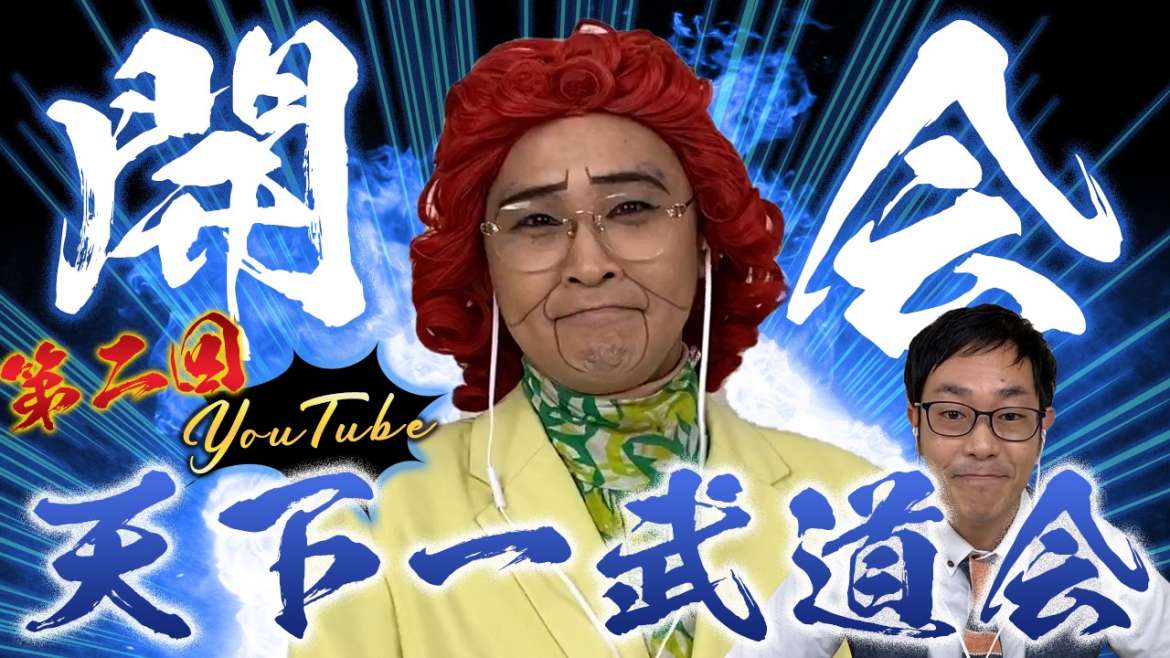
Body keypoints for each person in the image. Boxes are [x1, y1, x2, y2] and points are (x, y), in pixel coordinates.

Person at [291, 19, 873, 658]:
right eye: (537, 221)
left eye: (632, 209)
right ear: (483, 268)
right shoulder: (373, 514)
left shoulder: (858, 505)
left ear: (707, 240)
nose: (589, 263)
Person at [730, 304, 1170, 657]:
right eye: (953, 415)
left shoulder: (1103, 557)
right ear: (916, 422)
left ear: (1042, 427)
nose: (982, 445)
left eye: (1011, 416)